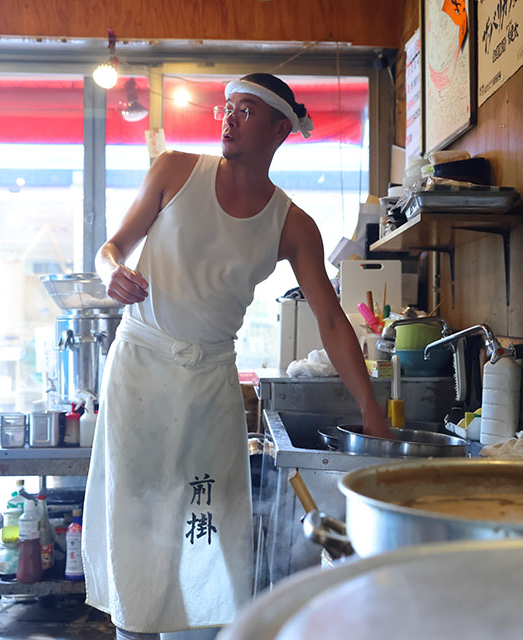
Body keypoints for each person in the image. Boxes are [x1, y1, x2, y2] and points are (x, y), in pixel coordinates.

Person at [83, 73, 390, 639]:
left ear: (280, 129)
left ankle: (199, 631)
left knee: (210, 518)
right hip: (141, 367)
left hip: (209, 380)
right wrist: (111, 274)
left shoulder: (293, 225)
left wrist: (371, 407)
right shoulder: (175, 169)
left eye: (246, 111)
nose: (228, 118)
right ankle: (133, 629)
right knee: (138, 508)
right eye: (228, 108)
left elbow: (330, 320)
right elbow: (112, 248)